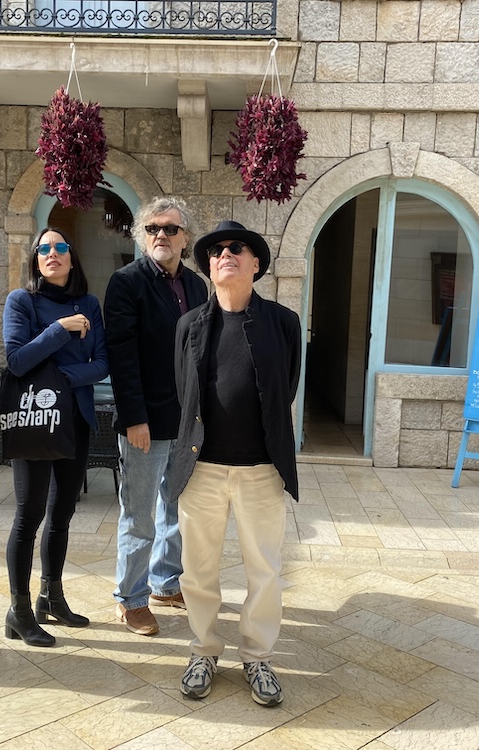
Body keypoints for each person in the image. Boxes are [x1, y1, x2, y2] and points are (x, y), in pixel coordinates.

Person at [168, 220, 301, 707]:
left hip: (261, 470)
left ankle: (258, 657)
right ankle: (203, 651)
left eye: (237, 247)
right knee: (197, 571)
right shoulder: (189, 325)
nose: (225, 254)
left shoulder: (283, 323)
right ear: (208, 265)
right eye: (217, 250)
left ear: (255, 263)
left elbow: (287, 386)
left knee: (263, 571)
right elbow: (184, 391)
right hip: (201, 470)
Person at [104, 197, 209, 636]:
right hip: (144, 421)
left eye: (170, 228)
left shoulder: (198, 286)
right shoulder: (126, 282)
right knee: (140, 515)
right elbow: (121, 356)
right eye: (152, 229)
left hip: (187, 421)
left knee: (177, 509)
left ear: (186, 238)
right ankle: (131, 598)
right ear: (141, 236)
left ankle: (166, 582)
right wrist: (134, 418)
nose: (161, 235)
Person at [2, 227, 108, 646]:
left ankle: (51, 597)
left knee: (62, 513)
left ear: (71, 257)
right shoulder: (22, 301)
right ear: (35, 259)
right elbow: (16, 361)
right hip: (36, 419)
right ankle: (19, 611)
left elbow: (101, 363)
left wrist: (60, 379)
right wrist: (60, 329)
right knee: (29, 516)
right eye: (43, 248)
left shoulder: (90, 304)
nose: (52, 253)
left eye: (61, 246)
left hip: (75, 420)